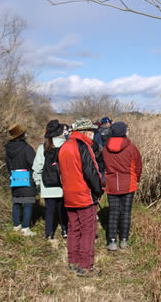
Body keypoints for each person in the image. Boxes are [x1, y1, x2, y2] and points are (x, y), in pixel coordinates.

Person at [58, 118, 105, 277]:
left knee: (73, 229)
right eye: (91, 132)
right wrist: (99, 190)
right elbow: (92, 173)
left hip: (69, 195)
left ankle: (73, 261)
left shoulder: (64, 147)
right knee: (88, 231)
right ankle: (86, 266)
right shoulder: (83, 147)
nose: (93, 135)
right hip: (84, 195)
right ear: (86, 132)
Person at [103, 121, 142, 251]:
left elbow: (103, 166)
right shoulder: (131, 148)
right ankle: (124, 240)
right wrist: (137, 178)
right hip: (128, 183)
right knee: (126, 212)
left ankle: (112, 241)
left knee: (113, 213)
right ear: (124, 132)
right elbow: (138, 165)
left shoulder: (105, 149)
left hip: (112, 184)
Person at [32, 120, 69, 239]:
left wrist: (38, 184)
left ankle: (48, 234)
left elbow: (37, 168)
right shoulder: (67, 146)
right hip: (64, 185)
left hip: (47, 185)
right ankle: (65, 230)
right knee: (64, 209)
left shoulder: (43, 147)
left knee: (49, 211)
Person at [5, 123, 37, 236]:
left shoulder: (8, 149)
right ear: (22, 135)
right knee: (28, 203)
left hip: (14, 177)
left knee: (17, 202)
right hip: (27, 177)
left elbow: (8, 164)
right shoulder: (27, 148)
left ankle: (16, 225)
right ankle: (25, 228)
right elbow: (33, 163)